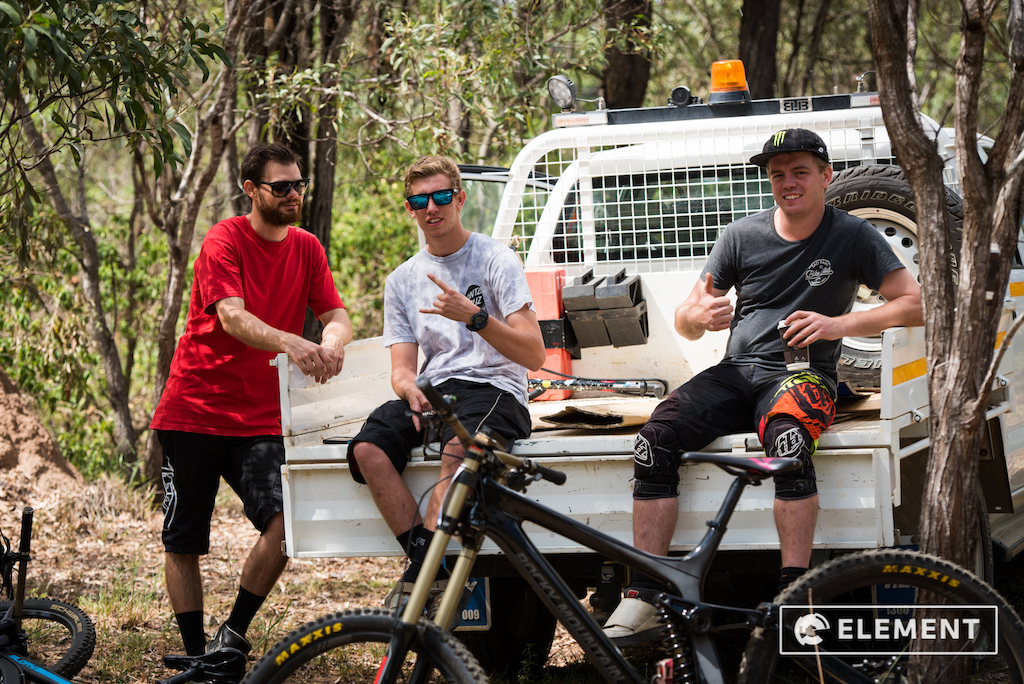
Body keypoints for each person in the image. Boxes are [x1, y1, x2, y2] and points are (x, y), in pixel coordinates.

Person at [602, 128, 924, 640]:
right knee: (653, 439)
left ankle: (794, 595)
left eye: (800, 172)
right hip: (736, 372)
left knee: (789, 440)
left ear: (826, 176)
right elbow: (688, 314)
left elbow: (913, 302)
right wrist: (696, 317)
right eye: (777, 174)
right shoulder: (740, 236)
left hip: (802, 373)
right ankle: (646, 591)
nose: (788, 182)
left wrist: (836, 325)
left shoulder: (853, 235)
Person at [150, 142, 353, 661]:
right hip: (195, 409)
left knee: (287, 521)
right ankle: (195, 656)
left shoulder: (307, 247)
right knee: (183, 541)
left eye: (299, 184)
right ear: (251, 190)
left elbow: (336, 314)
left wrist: (332, 341)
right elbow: (232, 318)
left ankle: (232, 634)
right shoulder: (226, 239)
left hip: (261, 419)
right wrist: (291, 340)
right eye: (280, 186)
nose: (293, 194)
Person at [347, 155, 545, 610]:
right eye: (420, 200)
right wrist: (406, 389)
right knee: (367, 449)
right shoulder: (401, 280)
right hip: (435, 389)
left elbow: (534, 354)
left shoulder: (496, 258)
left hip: (496, 389)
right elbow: (401, 368)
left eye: (440, 197)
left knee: (458, 450)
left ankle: (418, 583)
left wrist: (475, 318)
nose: (431, 208)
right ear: (409, 209)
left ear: (459, 199)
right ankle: (426, 564)